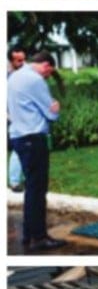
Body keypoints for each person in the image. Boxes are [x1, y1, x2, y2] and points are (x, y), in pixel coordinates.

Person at [8, 51, 65, 252]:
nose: (48, 75)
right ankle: (39, 238)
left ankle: (28, 235)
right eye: (49, 71)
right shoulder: (35, 80)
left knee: (31, 188)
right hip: (33, 137)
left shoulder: (14, 76)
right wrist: (56, 110)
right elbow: (50, 112)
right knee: (37, 190)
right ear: (46, 65)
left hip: (18, 136)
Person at [8, 46, 27, 190]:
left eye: (24, 59)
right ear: (11, 60)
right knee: (18, 148)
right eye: (19, 60)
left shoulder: (25, 72)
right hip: (12, 117)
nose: (22, 62)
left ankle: (27, 178)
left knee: (28, 147)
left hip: (25, 115)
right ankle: (14, 182)